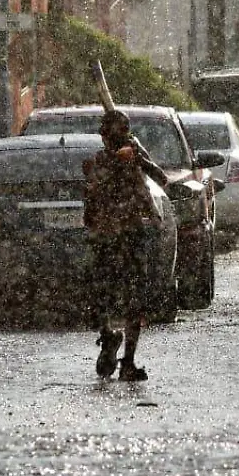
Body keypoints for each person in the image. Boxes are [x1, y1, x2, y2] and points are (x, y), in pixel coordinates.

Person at [82, 110, 170, 381]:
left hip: (132, 235)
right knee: (100, 297)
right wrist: (122, 162)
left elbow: (161, 178)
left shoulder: (134, 160)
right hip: (107, 237)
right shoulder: (99, 162)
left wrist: (139, 159)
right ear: (105, 137)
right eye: (112, 134)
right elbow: (96, 194)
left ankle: (128, 361)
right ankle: (107, 337)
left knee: (135, 299)